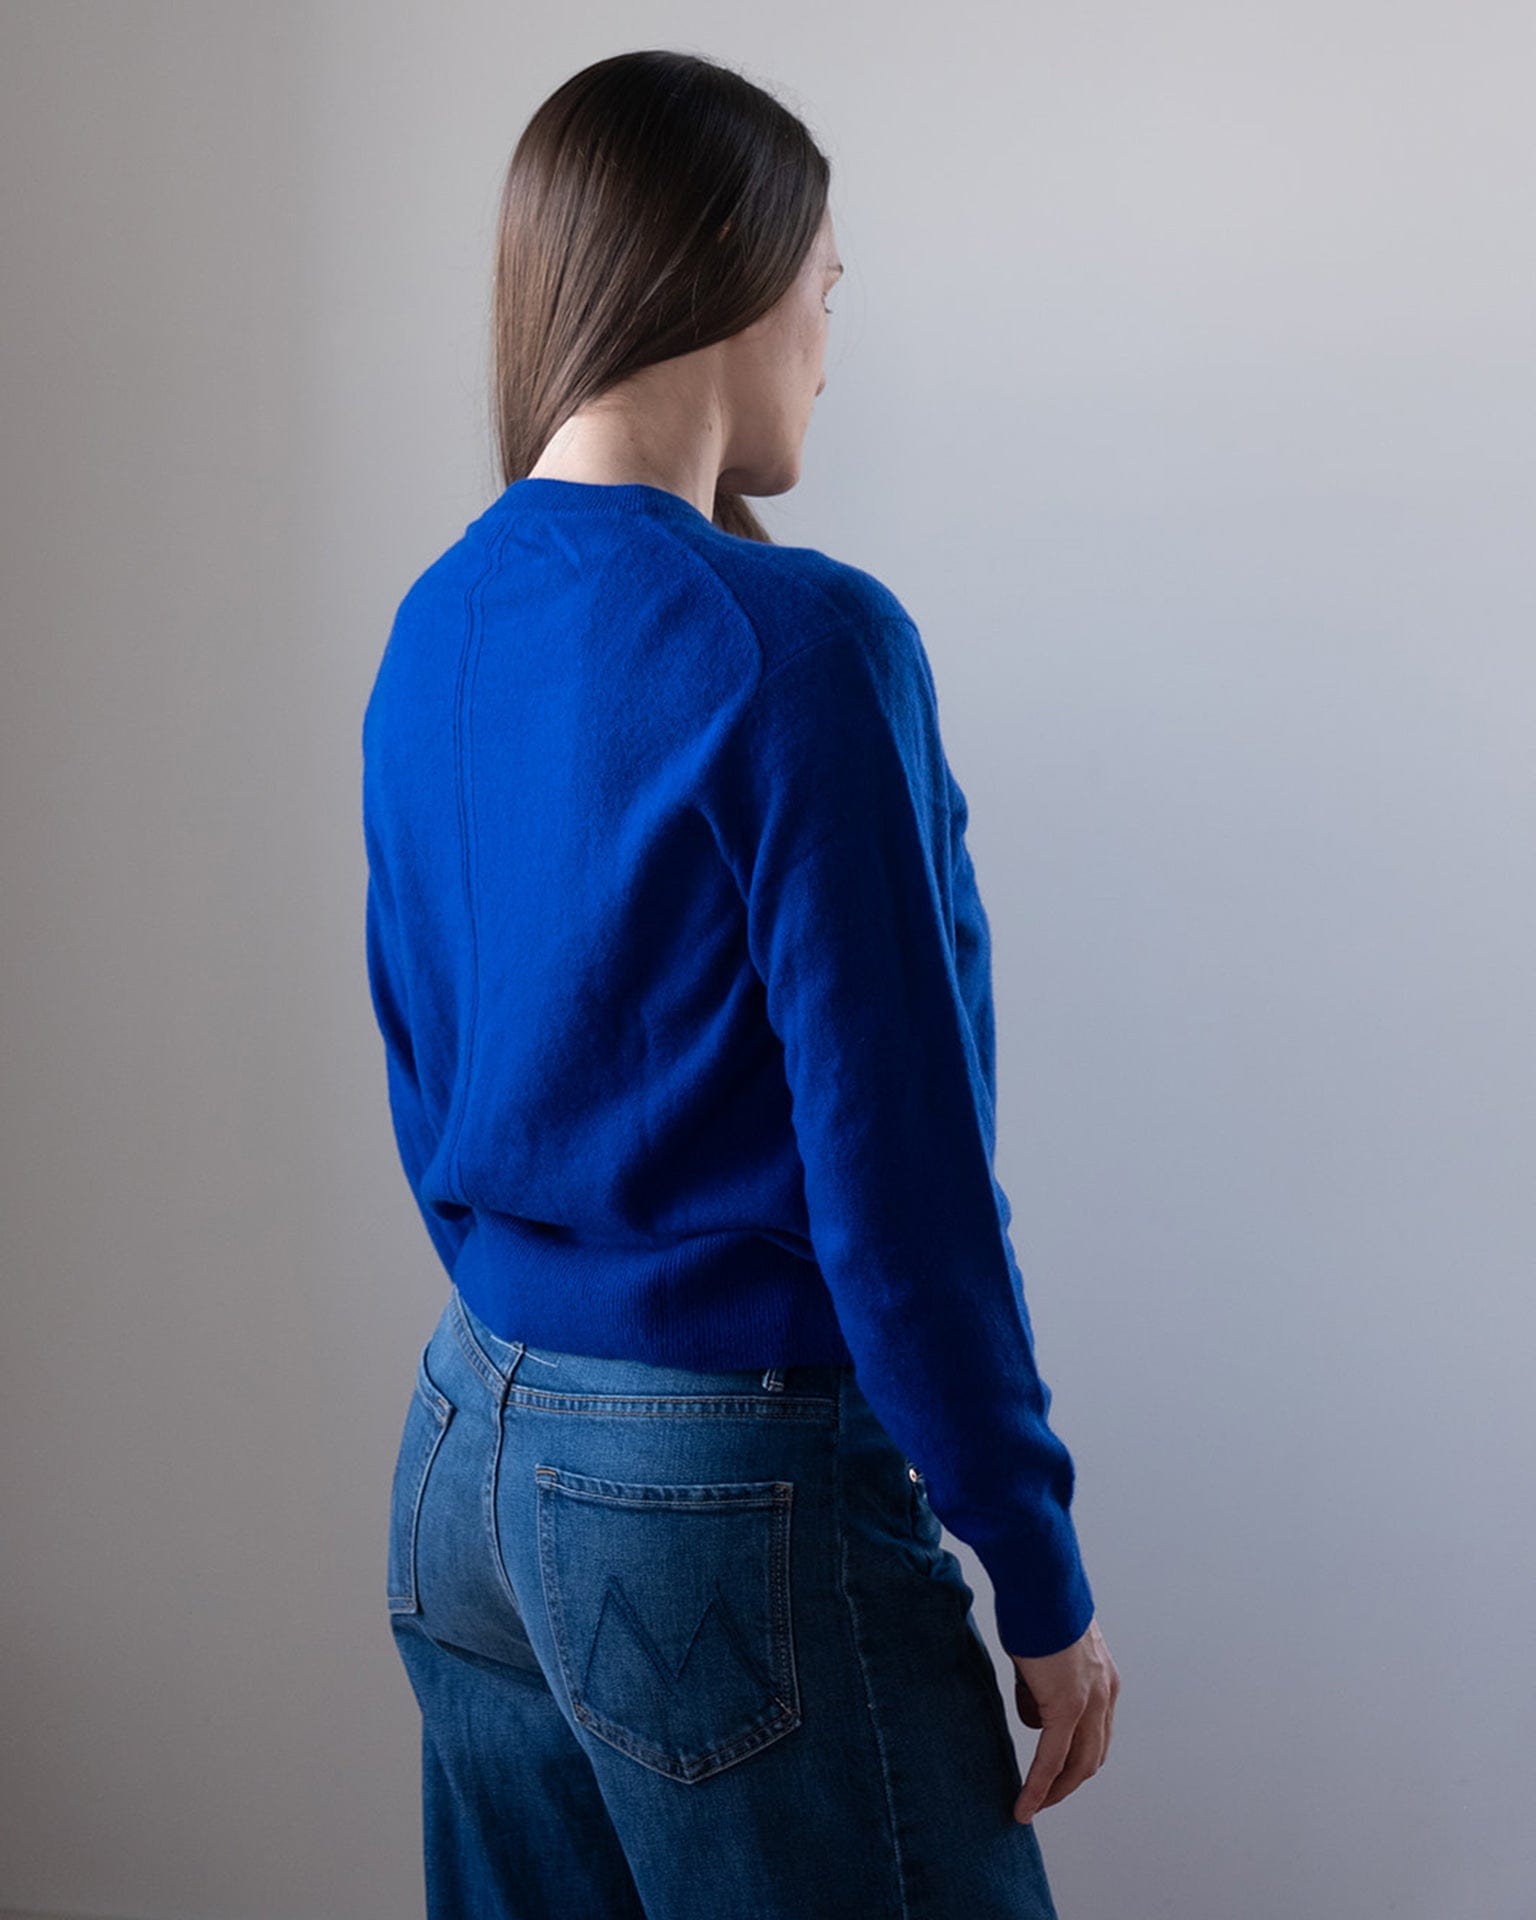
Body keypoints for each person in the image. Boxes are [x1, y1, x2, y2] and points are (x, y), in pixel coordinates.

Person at [362, 46, 1119, 1920]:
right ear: (730, 262)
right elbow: (902, 1178)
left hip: (465, 1455)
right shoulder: (802, 645)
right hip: (712, 1492)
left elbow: (419, 1062)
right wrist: (1039, 1572)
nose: (829, 337)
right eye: (827, 285)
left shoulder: (435, 619)